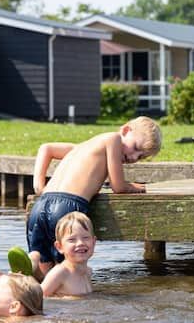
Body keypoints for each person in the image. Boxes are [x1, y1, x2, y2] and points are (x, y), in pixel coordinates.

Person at [28, 116, 162, 280]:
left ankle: (31, 268)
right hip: (67, 208)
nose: (134, 157)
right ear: (126, 130)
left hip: (40, 206)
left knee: (43, 270)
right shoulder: (113, 139)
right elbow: (118, 187)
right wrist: (132, 187)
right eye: (135, 148)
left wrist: (39, 185)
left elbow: (46, 148)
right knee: (70, 273)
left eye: (140, 157)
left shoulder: (83, 148)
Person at [41, 212, 96, 297]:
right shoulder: (60, 272)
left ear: (94, 242)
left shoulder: (88, 272)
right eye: (72, 240)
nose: (80, 243)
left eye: (86, 238)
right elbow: (36, 299)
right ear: (59, 247)